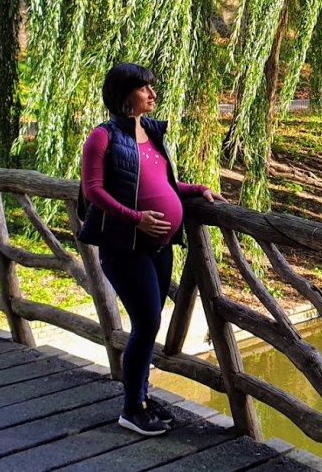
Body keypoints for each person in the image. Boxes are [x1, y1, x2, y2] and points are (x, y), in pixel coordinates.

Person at [78, 62, 225, 436]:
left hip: (160, 246)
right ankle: (132, 408)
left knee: (149, 321)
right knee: (147, 323)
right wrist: (136, 218)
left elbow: (163, 183)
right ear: (126, 93)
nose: (153, 94)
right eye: (145, 88)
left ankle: (141, 396)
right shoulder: (102, 137)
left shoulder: (152, 132)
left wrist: (197, 190)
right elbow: (93, 190)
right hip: (124, 246)